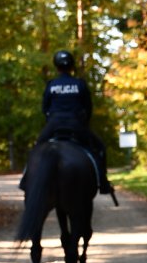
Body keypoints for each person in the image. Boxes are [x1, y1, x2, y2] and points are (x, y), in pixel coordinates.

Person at [25, 50, 111, 194]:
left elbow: (44, 108)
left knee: (36, 149)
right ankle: (103, 183)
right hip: (76, 125)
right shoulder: (80, 84)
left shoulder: (51, 85)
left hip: (53, 125)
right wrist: (84, 123)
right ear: (72, 67)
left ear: (56, 67)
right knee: (100, 148)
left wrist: (52, 120)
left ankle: (26, 181)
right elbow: (88, 108)